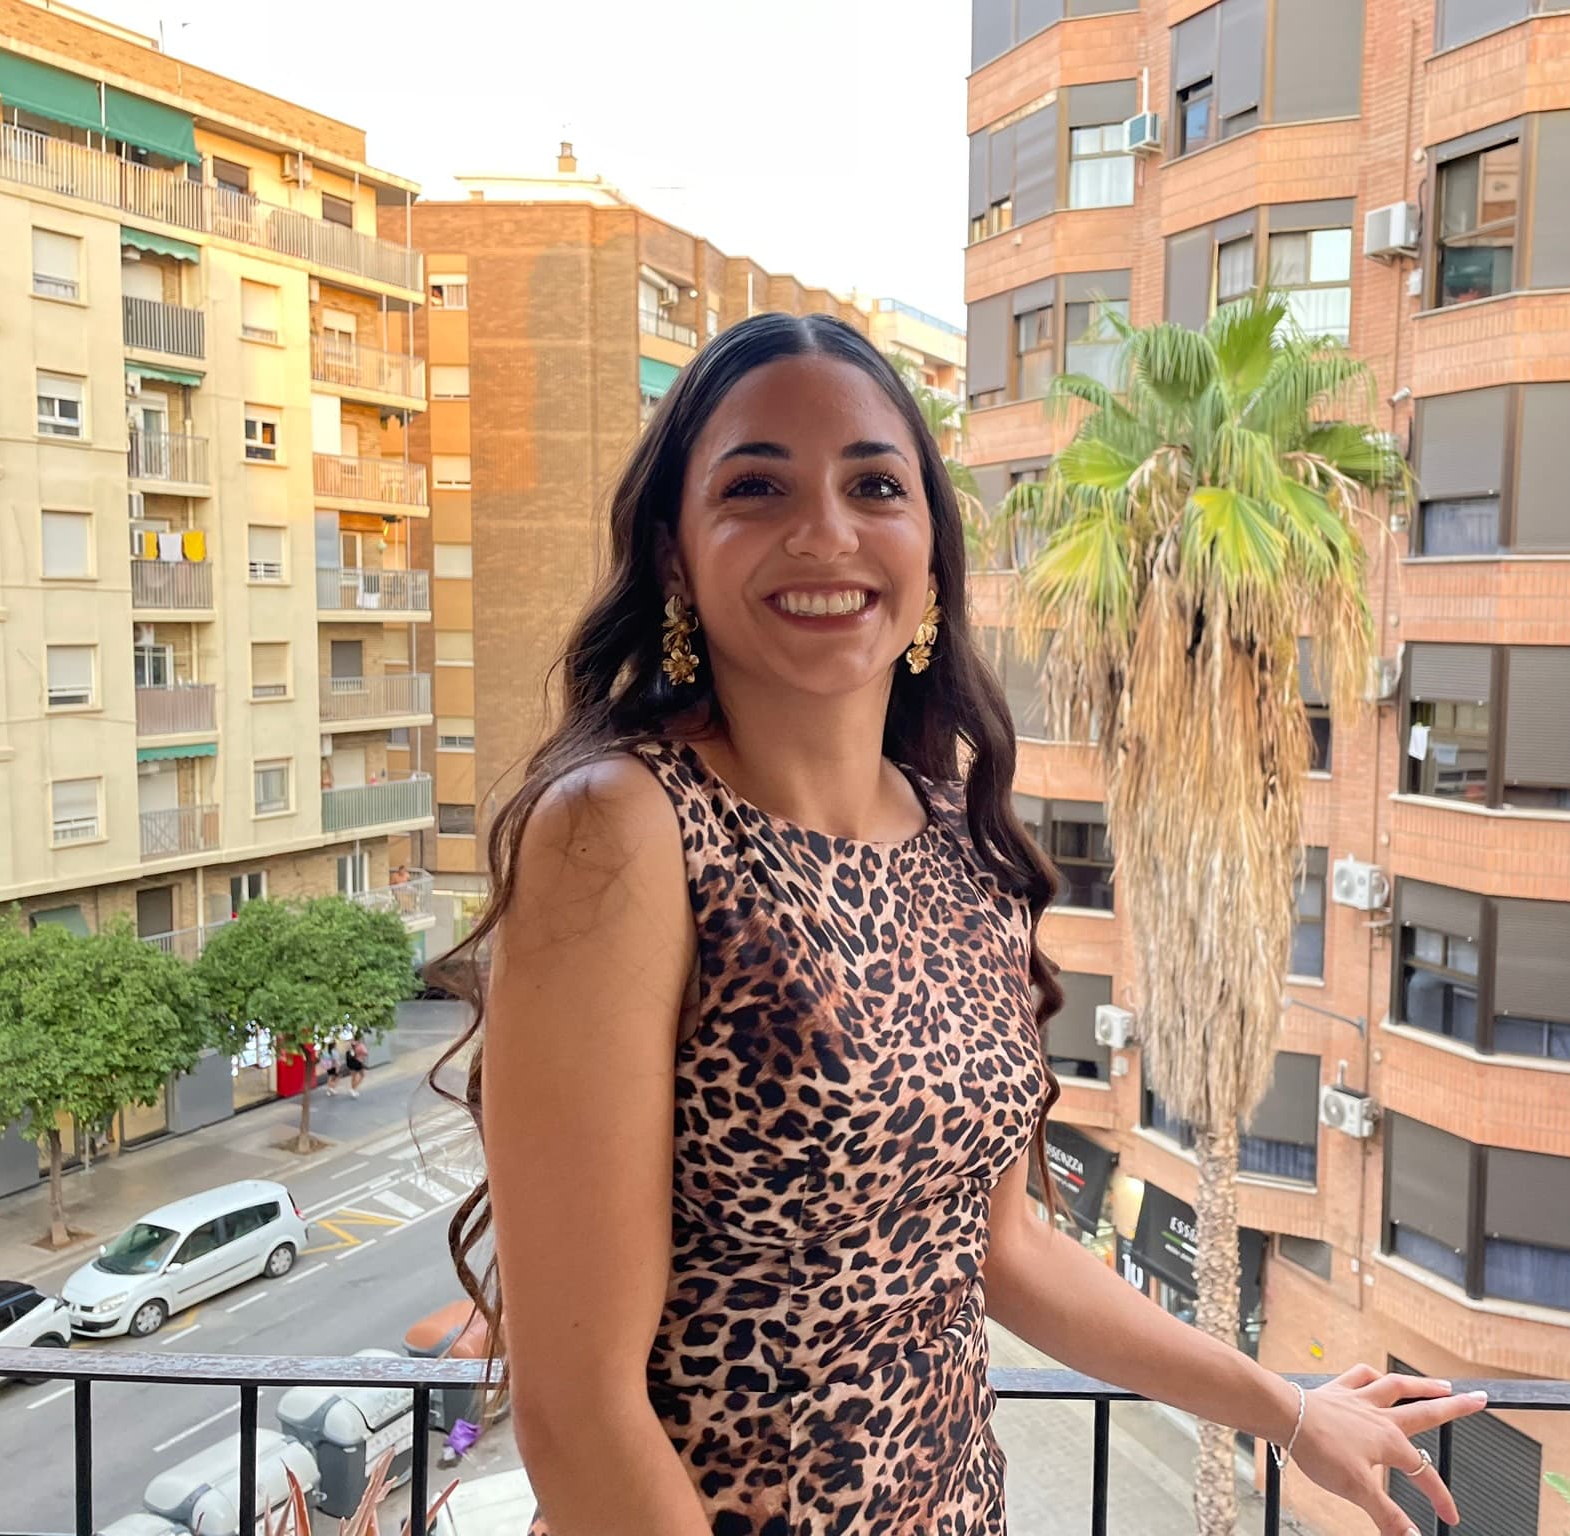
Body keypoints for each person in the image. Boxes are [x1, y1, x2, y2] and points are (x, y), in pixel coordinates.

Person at [429, 313, 1484, 1536]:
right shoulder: (624, 830)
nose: (824, 532)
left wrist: (1286, 1413)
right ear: (675, 558)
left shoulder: (951, 833)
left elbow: (1003, 1249)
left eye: (874, 483)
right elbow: (578, 1411)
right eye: (755, 486)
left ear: (928, 551)